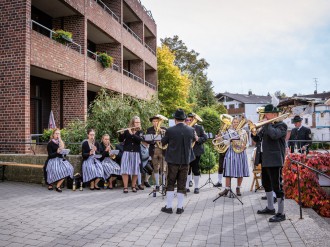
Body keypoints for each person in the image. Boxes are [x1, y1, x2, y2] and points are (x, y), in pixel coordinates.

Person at [251, 104, 288, 222]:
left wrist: (266, 124)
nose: (265, 116)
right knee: (266, 184)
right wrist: (253, 132)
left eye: (267, 114)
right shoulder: (267, 126)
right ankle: (270, 207)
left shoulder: (282, 125)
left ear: (274, 114)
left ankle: (281, 213)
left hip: (275, 160)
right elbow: (257, 140)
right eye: (265, 114)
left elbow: (274, 135)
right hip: (265, 159)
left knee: (277, 186)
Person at [160, 109, 197, 214]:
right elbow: (194, 139)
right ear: (184, 119)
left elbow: (163, 143)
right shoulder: (191, 130)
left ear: (175, 119)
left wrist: (163, 134)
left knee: (171, 183)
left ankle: (169, 207)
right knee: (182, 183)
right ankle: (180, 208)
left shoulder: (170, 130)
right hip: (185, 161)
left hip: (172, 161)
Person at [218, 117, 249, 197]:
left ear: (240, 123)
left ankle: (238, 188)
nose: (235, 123)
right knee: (228, 170)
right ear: (232, 123)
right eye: (234, 122)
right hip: (231, 152)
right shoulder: (229, 132)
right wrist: (220, 139)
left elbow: (247, 143)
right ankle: (227, 189)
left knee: (240, 171)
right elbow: (226, 143)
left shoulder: (244, 132)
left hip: (241, 153)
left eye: (237, 122)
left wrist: (245, 146)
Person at [118, 116, 143, 193]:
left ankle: (133, 186)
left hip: (136, 152)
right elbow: (121, 140)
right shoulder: (127, 131)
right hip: (127, 152)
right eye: (136, 122)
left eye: (139, 122)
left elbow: (140, 140)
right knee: (125, 170)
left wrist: (132, 134)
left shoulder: (140, 132)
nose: (138, 124)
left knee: (135, 170)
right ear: (133, 123)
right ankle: (125, 187)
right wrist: (121, 134)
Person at [45, 128, 74, 192]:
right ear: (53, 135)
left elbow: (62, 154)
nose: (57, 135)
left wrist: (64, 152)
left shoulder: (61, 142)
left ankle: (58, 185)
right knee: (56, 170)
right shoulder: (50, 143)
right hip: (52, 160)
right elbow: (50, 155)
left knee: (69, 168)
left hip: (60, 160)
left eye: (59, 134)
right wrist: (57, 152)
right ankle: (50, 184)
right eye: (56, 133)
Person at [185, 113, 207, 194]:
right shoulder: (184, 128)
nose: (188, 121)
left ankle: (196, 187)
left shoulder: (199, 127)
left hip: (196, 151)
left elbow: (205, 138)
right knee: (187, 169)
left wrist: (198, 139)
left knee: (196, 169)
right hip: (186, 151)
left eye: (190, 120)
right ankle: (186, 187)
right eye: (187, 120)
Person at [146, 115, 167, 190]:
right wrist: (154, 139)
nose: (155, 123)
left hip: (162, 150)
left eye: (157, 121)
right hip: (153, 150)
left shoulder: (164, 129)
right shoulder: (149, 130)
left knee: (163, 168)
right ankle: (157, 184)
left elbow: (167, 139)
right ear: (152, 122)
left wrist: (163, 133)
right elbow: (147, 140)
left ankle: (164, 184)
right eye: (154, 121)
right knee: (155, 168)